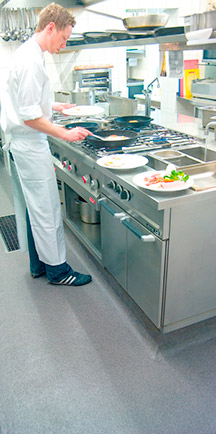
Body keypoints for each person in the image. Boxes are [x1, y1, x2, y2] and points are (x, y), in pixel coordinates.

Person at [1, 3, 93, 286]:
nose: (63, 45)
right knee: (47, 208)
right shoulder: (30, 60)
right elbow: (28, 116)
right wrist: (63, 133)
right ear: (50, 27)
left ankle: (38, 264)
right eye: (63, 38)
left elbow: (26, 101)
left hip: (25, 143)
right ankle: (58, 271)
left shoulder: (30, 54)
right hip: (29, 144)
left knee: (35, 207)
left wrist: (53, 106)